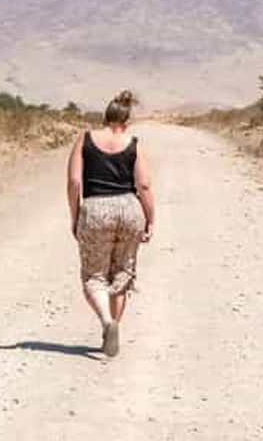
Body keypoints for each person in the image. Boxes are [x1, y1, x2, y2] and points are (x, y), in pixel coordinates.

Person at [66, 90, 154, 357]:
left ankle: (106, 321)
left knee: (94, 276)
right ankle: (114, 326)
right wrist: (151, 218)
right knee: (121, 273)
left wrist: (75, 217)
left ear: (104, 117)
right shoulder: (134, 143)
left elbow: (74, 182)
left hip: (95, 210)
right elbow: (145, 185)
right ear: (127, 121)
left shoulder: (85, 139)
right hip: (129, 209)